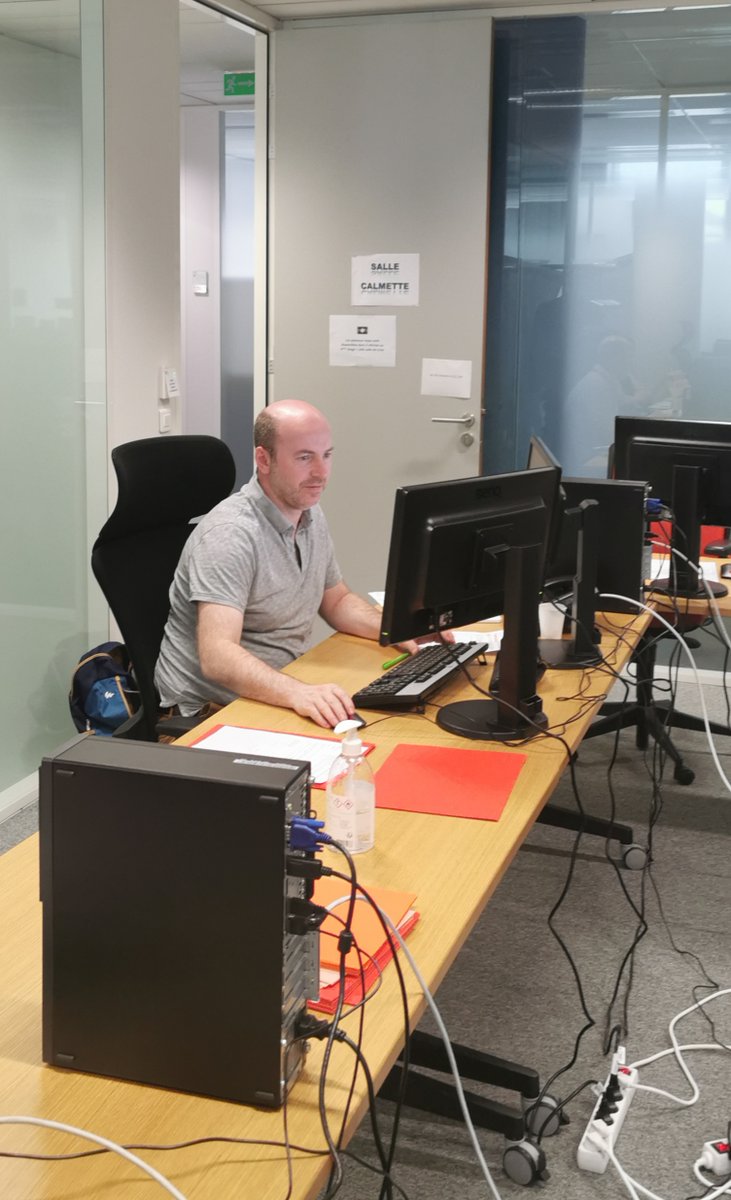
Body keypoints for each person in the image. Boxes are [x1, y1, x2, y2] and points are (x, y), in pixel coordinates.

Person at [155, 399, 413, 729]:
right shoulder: (229, 536)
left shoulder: (309, 511)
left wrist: (399, 628)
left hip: (280, 687)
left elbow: (336, 601)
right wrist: (298, 693)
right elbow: (218, 657)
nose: (321, 472)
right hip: (212, 712)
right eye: (305, 457)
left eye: (326, 455)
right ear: (264, 459)